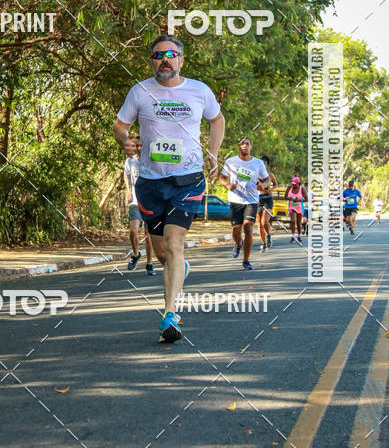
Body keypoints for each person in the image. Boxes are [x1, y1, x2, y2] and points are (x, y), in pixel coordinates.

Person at [113, 35, 225, 342]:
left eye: (171, 54)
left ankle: (170, 314)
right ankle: (179, 269)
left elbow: (218, 120)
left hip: (188, 179)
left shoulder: (199, 90)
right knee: (163, 253)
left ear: (181, 60)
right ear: (151, 61)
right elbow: (120, 125)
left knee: (175, 245)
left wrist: (213, 153)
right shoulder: (140, 91)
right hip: (151, 182)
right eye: (158, 55)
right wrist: (127, 141)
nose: (165, 59)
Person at [219, 138, 269, 270]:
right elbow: (222, 178)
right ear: (239, 147)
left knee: (248, 228)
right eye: (242, 143)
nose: (245, 146)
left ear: (251, 147)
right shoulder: (230, 161)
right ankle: (238, 244)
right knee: (236, 231)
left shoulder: (258, 163)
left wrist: (263, 185)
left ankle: (246, 260)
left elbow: (267, 178)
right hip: (235, 200)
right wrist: (228, 185)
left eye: (247, 144)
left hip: (252, 200)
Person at [124, 138, 155, 274]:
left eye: (142, 145)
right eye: (137, 145)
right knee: (133, 231)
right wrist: (128, 190)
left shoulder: (152, 161)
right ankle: (136, 254)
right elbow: (126, 175)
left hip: (150, 202)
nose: (139, 148)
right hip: (135, 201)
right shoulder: (130, 161)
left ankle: (149, 264)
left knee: (149, 235)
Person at [256, 154, 277, 253]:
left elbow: (275, 184)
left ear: (267, 165)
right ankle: (264, 244)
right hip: (258, 199)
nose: (262, 165)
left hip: (268, 199)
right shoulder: (254, 174)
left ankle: (268, 235)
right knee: (259, 224)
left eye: (264, 163)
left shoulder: (270, 175)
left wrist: (272, 188)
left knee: (265, 222)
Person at [284, 176, 307, 244]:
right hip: (292, 207)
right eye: (292, 183)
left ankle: (299, 236)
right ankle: (293, 236)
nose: (293, 185)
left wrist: (299, 200)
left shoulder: (301, 189)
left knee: (298, 223)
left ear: (298, 183)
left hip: (299, 207)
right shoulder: (289, 188)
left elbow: (306, 198)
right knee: (293, 221)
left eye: (294, 184)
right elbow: (285, 196)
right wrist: (291, 198)